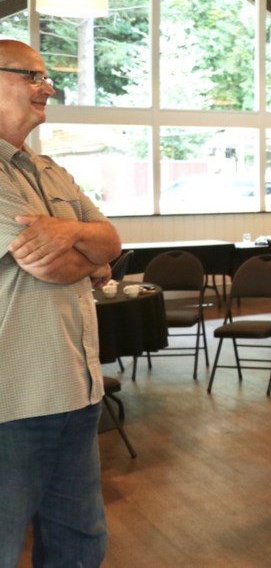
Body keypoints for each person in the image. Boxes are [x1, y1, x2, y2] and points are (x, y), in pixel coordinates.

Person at [0, 40, 121, 565]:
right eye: (32, 76)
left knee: (80, 543)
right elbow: (47, 264)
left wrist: (83, 242)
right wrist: (89, 254)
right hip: (14, 401)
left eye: (47, 77)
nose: (47, 87)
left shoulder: (50, 171)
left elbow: (111, 239)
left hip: (77, 389)